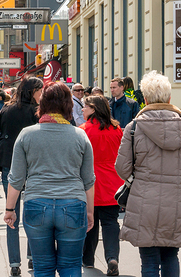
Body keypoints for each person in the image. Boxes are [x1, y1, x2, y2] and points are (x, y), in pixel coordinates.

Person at [116, 71, 181, 277]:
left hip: (144, 202)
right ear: (169, 98)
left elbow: (122, 167)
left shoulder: (134, 128)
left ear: (145, 99)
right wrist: (180, 180)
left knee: (148, 261)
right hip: (178, 202)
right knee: (170, 257)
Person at [4, 81, 95, 277]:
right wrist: (89, 212)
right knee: (71, 266)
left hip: (36, 203)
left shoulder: (26, 135)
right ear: (69, 105)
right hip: (73, 203)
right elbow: (88, 180)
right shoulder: (80, 136)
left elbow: (16, 178)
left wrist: (10, 209)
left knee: (42, 267)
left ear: (42, 104)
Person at [0, 77, 43, 276]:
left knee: (11, 215)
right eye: (40, 91)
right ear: (32, 91)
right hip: (33, 168)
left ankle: (14, 263)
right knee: (32, 215)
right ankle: (32, 258)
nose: (41, 94)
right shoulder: (37, 112)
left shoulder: (7, 110)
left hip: (10, 166)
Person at [80, 95, 123, 276]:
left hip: (90, 182)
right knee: (110, 222)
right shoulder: (116, 129)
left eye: (85, 107)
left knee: (90, 222)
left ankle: (88, 259)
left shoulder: (84, 130)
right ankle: (112, 257)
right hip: (112, 182)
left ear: (94, 109)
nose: (82, 110)